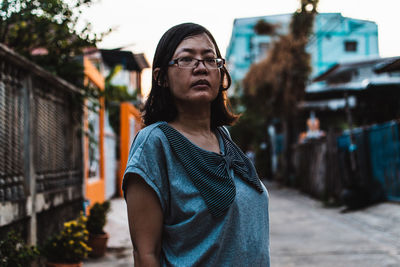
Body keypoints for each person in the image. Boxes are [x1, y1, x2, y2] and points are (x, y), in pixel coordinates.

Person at [123, 23, 270, 267]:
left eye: (210, 59)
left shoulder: (224, 137)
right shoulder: (155, 143)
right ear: (161, 78)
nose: (201, 67)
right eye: (186, 59)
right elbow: (145, 254)